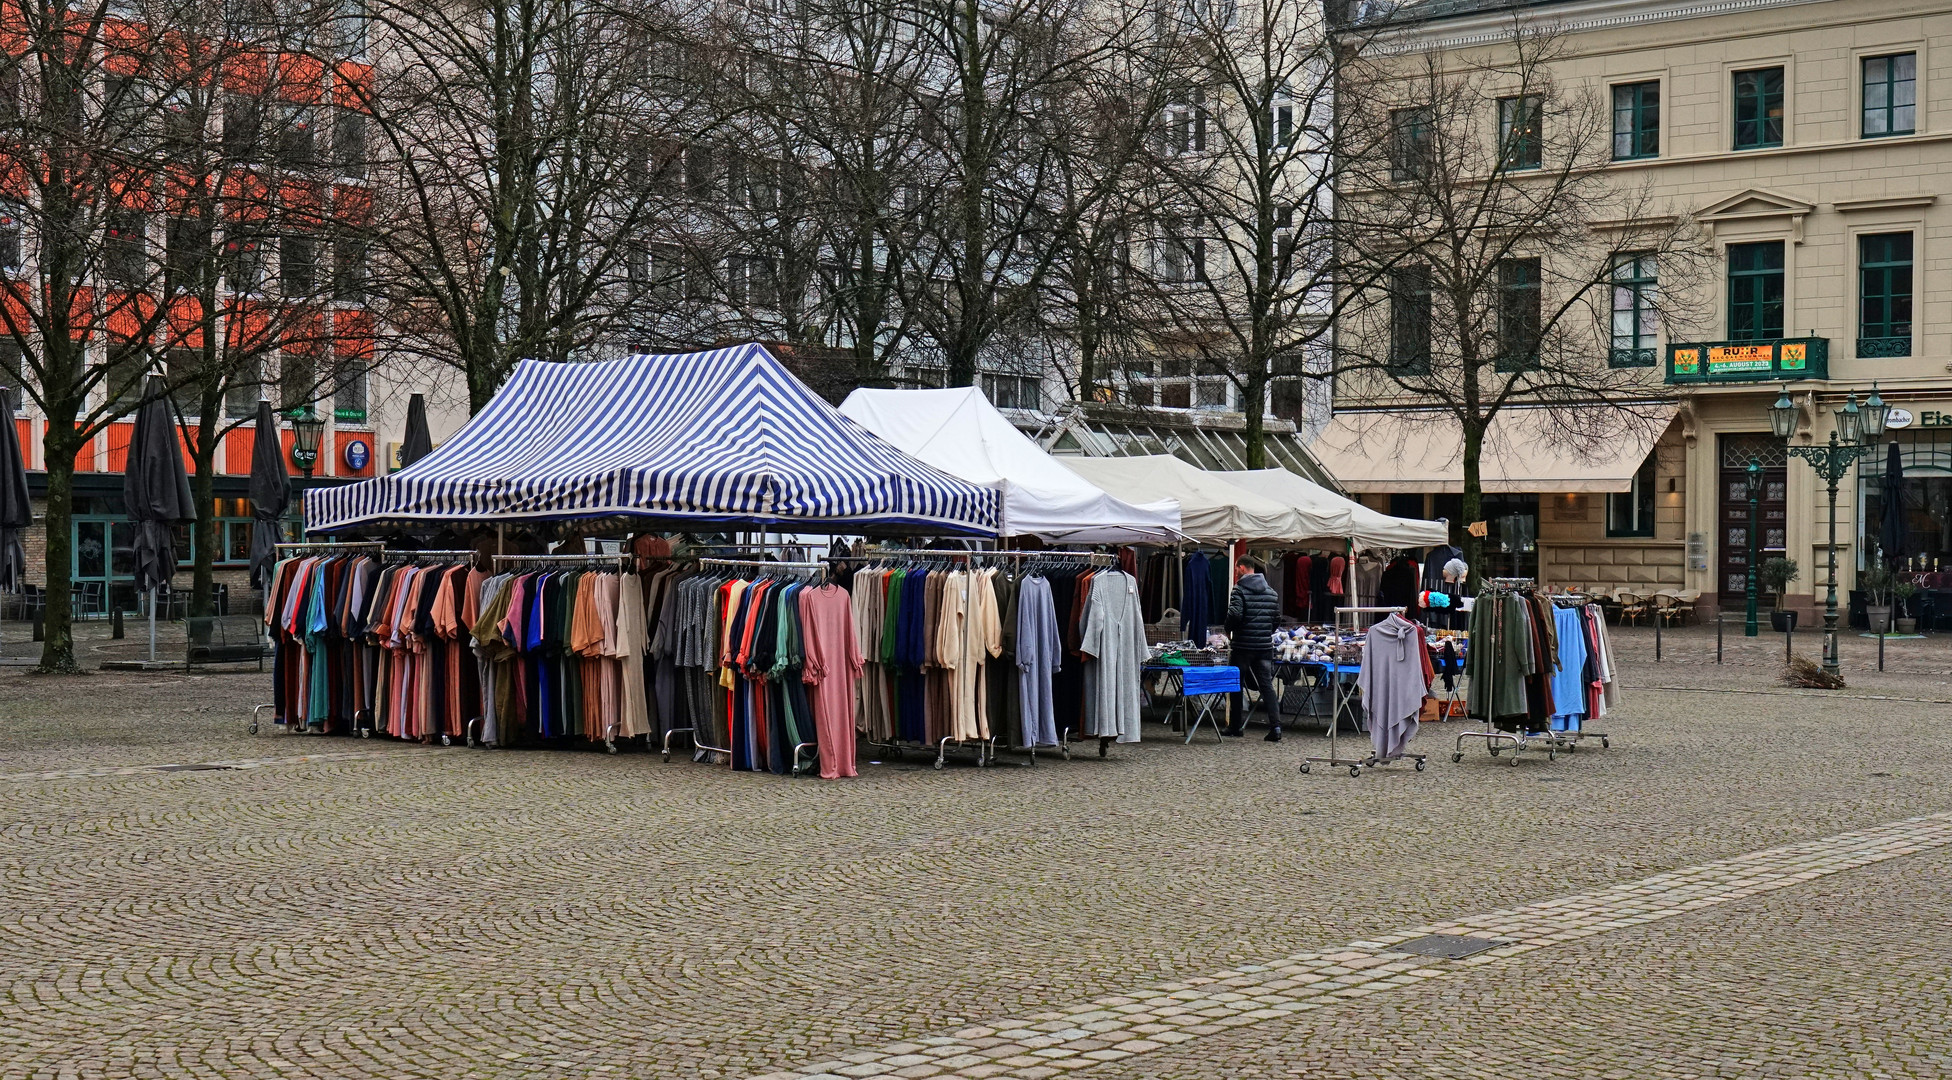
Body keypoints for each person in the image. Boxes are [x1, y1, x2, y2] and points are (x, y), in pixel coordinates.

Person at [1224, 556, 1282, 741]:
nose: (1235, 572)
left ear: (1242, 568)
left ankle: (1235, 726)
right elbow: (1276, 619)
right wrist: (1265, 632)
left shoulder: (1239, 590)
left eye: (1236, 569)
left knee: (1236, 685)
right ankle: (1276, 727)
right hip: (1264, 646)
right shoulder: (1271, 592)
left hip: (1243, 645)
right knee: (1267, 686)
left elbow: (1235, 614)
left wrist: (1229, 630)